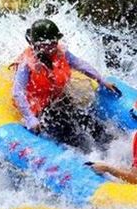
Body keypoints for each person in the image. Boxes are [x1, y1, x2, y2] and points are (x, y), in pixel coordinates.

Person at [12, 19, 120, 150]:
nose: (52, 48)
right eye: (47, 45)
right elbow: (18, 92)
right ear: (35, 44)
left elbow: (80, 64)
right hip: (39, 109)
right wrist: (30, 118)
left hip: (59, 101)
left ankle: (113, 147)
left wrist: (101, 80)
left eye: (54, 43)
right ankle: (85, 159)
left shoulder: (60, 51)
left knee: (88, 121)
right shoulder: (26, 64)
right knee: (70, 133)